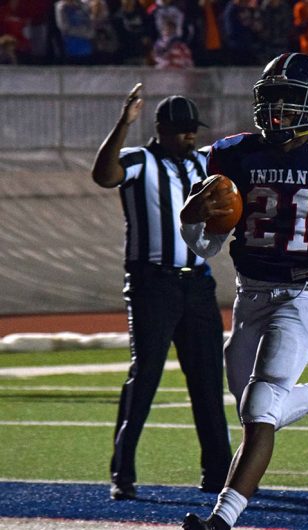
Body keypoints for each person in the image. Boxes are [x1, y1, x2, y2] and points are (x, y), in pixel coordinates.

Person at [179, 53, 308, 530]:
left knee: (261, 412)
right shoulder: (234, 155)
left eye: (292, 100)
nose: (280, 110)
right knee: (253, 408)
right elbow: (206, 248)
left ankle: (219, 524)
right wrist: (192, 217)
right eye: (273, 98)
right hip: (250, 295)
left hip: (305, 294)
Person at [91, 87, 233, 501]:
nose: (190, 137)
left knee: (208, 378)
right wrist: (123, 124)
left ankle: (218, 473)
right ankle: (123, 472)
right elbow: (104, 175)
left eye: (193, 131)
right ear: (162, 130)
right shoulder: (141, 159)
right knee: (146, 375)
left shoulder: (201, 163)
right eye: (183, 131)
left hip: (198, 282)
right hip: (152, 282)